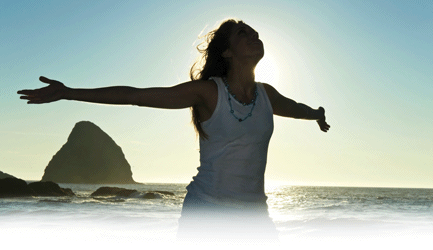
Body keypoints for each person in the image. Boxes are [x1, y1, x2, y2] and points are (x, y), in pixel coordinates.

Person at [18, 19, 330, 242]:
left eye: (257, 34)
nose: (255, 37)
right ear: (228, 52)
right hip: (207, 212)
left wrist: (316, 114)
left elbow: (295, 108)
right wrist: (69, 92)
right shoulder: (208, 92)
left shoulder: (267, 95)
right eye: (243, 33)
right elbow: (135, 96)